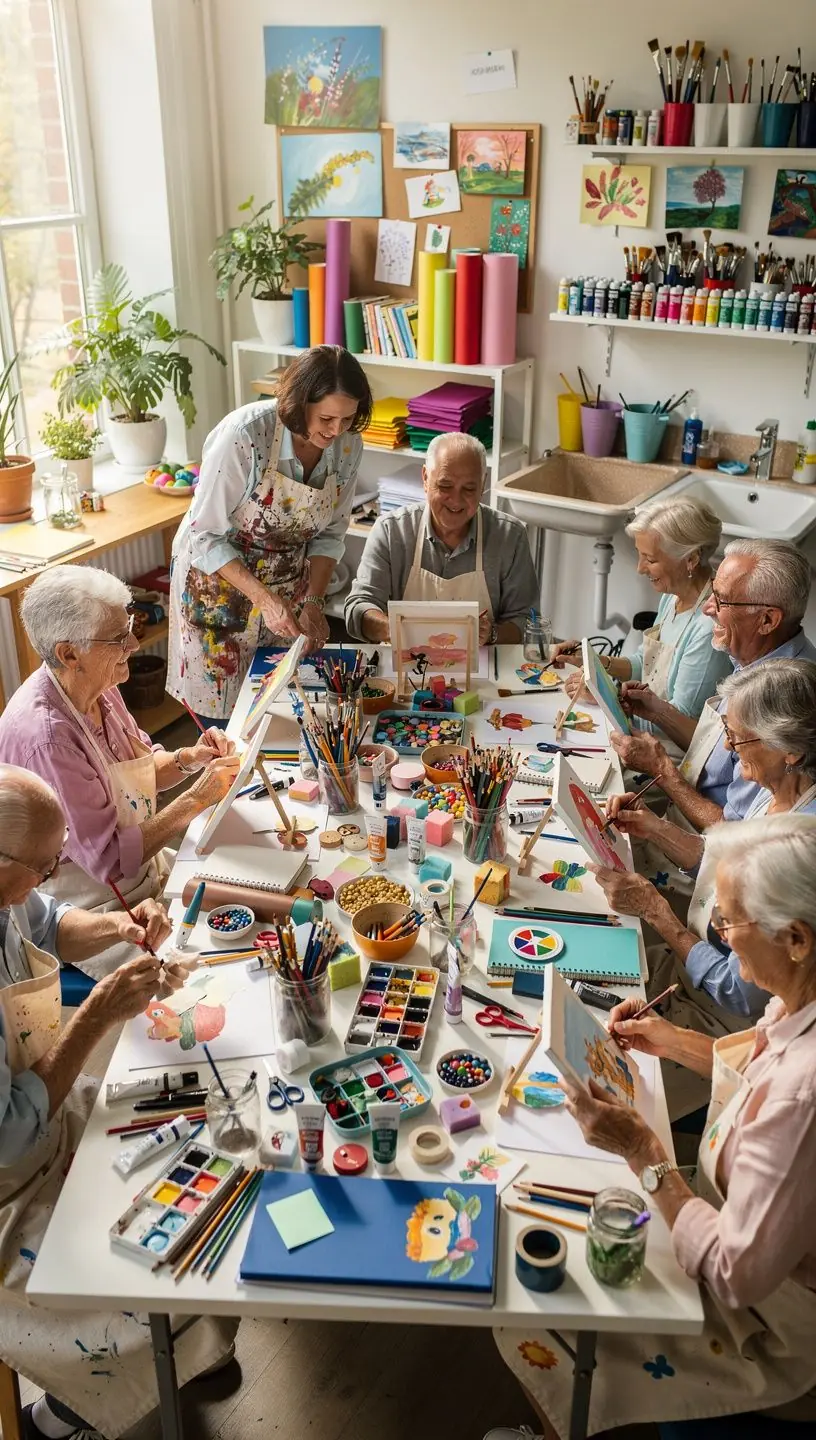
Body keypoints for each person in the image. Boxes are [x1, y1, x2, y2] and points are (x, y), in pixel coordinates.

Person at [490, 813, 816, 1440]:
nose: (720, 935)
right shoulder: (799, 995)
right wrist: (670, 1042)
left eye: (728, 922)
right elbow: (755, 1059)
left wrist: (643, 1151)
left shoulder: (804, 1096)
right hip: (737, 1220)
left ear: (796, 937)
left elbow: (733, 1270)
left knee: (529, 1302)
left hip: (769, 1320)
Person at [0, 766, 238, 1440]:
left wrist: (116, 924)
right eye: (43, 867)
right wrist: (97, 1013)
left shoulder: (9, 889)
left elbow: (46, 926)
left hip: (47, 1118)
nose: (50, 879)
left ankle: (187, 1348)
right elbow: (12, 1135)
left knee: (212, 1145)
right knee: (154, 1251)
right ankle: (65, 1414)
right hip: (10, 1182)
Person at [597, 658, 816, 1117]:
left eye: (739, 738)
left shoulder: (801, 839)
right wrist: (654, 829)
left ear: (790, 750)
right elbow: (723, 859)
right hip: (693, 962)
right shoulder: (773, 787)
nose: (731, 751)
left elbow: (741, 992)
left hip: (725, 1018)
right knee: (579, 968)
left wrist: (659, 914)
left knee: (596, 1084)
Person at [0, 568, 240, 977]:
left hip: (143, 872)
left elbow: (141, 770)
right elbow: (109, 860)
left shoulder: (99, 685)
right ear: (69, 653)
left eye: (127, 626)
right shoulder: (47, 739)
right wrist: (196, 799)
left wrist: (188, 757)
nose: (132, 643)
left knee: (235, 887)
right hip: (93, 901)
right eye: (117, 638)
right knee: (200, 974)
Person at [167, 344, 373, 722]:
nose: (336, 431)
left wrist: (313, 602)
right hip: (218, 591)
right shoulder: (245, 434)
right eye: (327, 418)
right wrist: (264, 599)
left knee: (277, 713)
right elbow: (203, 534)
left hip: (285, 588)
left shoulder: (347, 445)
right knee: (224, 730)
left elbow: (331, 535)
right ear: (300, 402)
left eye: (347, 419)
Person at [609, 538, 816, 831]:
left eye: (721, 600)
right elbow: (720, 756)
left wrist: (662, 770)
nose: (707, 608)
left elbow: (732, 832)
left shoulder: (781, 696)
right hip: (686, 810)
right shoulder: (753, 656)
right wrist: (659, 713)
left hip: (711, 851)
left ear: (767, 620)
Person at [555, 497, 731, 757]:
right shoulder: (673, 596)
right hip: (644, 735)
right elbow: (645, 664)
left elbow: (681, 725)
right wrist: (593, 662)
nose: (640, 568)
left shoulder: (707, 628)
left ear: (691, 559)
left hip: (671, 758)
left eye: (650, 559)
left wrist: (607, 699)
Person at [343, 432, 539, 646]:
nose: (455, 500)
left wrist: (492, 634)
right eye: (445, 486)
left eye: (469, 489)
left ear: (482, 486)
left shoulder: (510, 536)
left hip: (485, 666)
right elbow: (358, 607)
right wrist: (392, 629)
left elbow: (526, 621)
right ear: (426, 479)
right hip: (407, 666)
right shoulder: (391, 531)